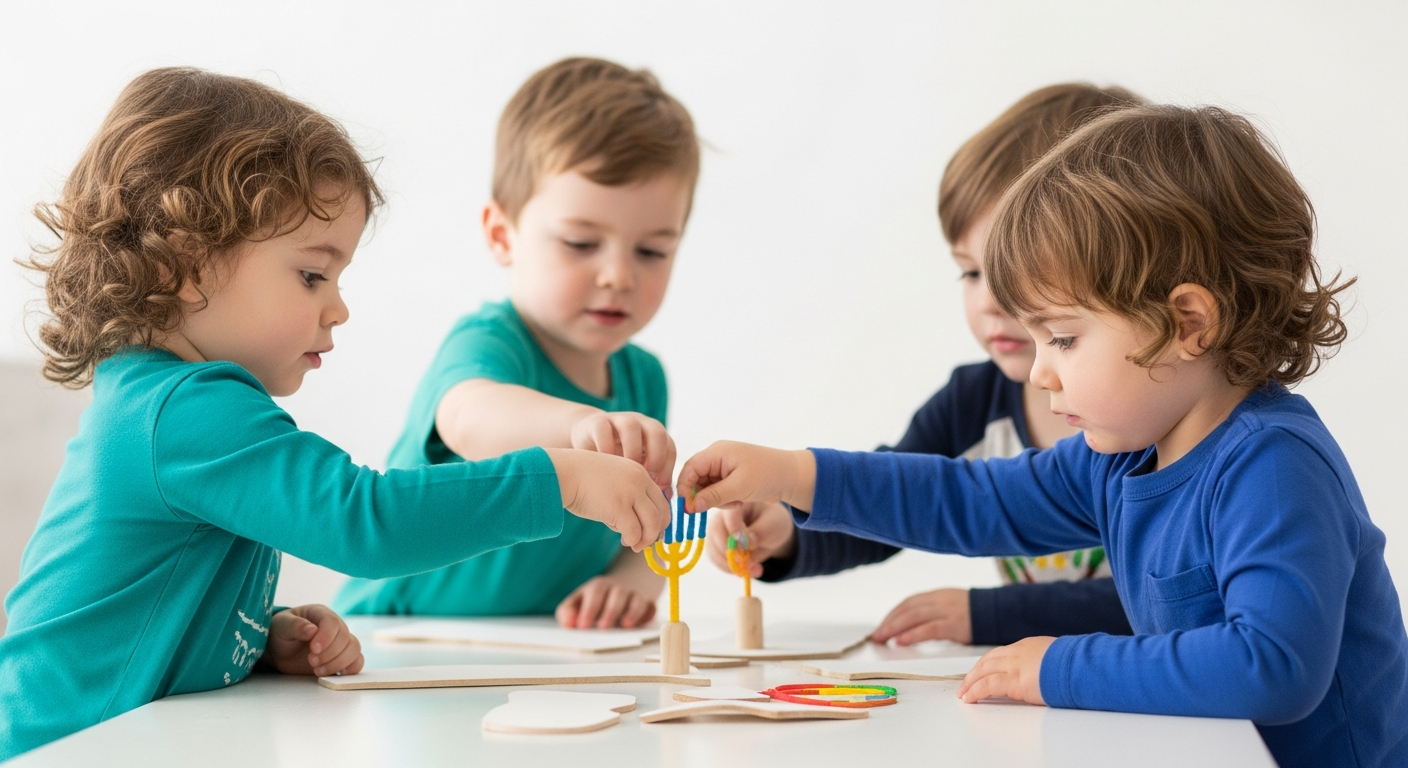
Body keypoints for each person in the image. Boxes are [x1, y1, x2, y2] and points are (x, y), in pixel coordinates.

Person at [677, 104, 1407, 768]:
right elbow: (967, 498)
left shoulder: (1272, 466)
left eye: (1062, 338)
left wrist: (1056, 665)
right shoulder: (1120, 456)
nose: (1041, 375)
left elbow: (1272, 667)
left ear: (1189, 323)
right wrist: (793, 474)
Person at [0, 67, 668, 761]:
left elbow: (146, 608)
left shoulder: (176, 404)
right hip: (62, 746)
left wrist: (261, 636)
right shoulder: (183, 410)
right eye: (313, 275)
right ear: (185, 265)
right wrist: (557, 480)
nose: (338, 307)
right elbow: (364, 522)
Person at [707, 83, 1140, 647]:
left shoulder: (1150, 421)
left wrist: (989, 614)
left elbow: (1160, 601)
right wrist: (788, 529)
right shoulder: (975, 399)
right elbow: (902, 502)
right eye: (971, 272)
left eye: (1022, 277)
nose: (990, 300)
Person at [334, 57, 697, 630]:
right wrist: (581, 426)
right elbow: (467, 417)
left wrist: (632, 579)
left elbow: (652, 511)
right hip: (393, 638)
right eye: (581, 243)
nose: (618, 276)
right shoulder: (491, 342)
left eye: (651, 251)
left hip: (532, 648)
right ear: (503, 236)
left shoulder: (643, 380)